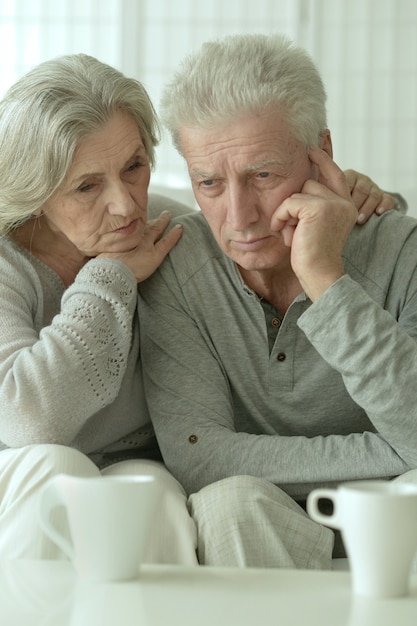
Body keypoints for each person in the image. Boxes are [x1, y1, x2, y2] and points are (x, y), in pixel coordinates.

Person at [138, 33, 417, 570]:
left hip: (393, 529)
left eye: (262, 175)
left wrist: (325, 278)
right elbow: (201, 456)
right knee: (229, 502)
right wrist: (395, 451)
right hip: (257, 530)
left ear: (322, 155)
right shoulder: (176, 262)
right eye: (209, 183)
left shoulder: (404, 252)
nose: (239, 217)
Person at [0, 53, 198, 563]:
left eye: (134, 167)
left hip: (135, 460)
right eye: (88, 186)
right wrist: (109, 275)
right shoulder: (7, 262)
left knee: (151, 501)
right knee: (55, 472)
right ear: (36, 195)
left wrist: (367, 201)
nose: (127, 206)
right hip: (21, 464)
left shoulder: (165, 227)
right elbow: (27, 421)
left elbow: (267, 240)